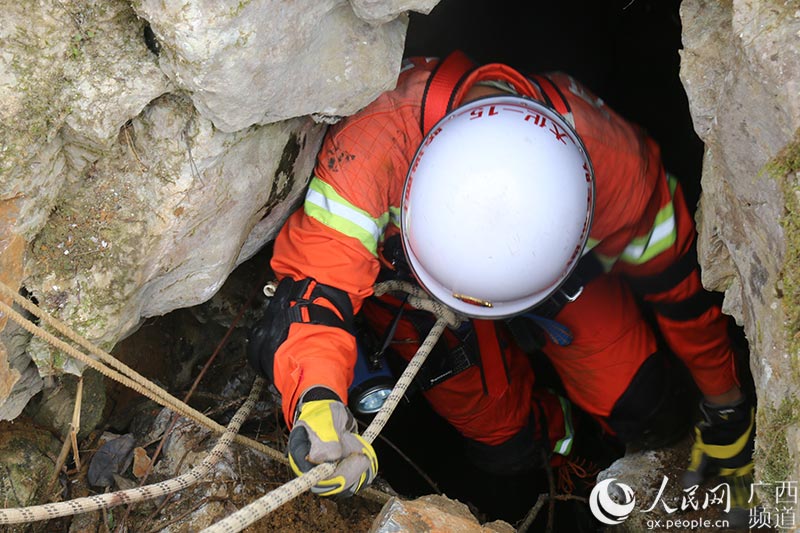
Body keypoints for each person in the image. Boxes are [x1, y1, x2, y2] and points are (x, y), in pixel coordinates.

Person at [247, 51, 755, 508]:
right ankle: (558, 445)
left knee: (647, 407)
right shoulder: (374, 148)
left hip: (560, 281)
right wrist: (316, 396)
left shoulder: (616, 169)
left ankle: (599, 432)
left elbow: (683, 297)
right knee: (505, 448)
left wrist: (725, 400)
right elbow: (317, 286)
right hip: (413, 290)